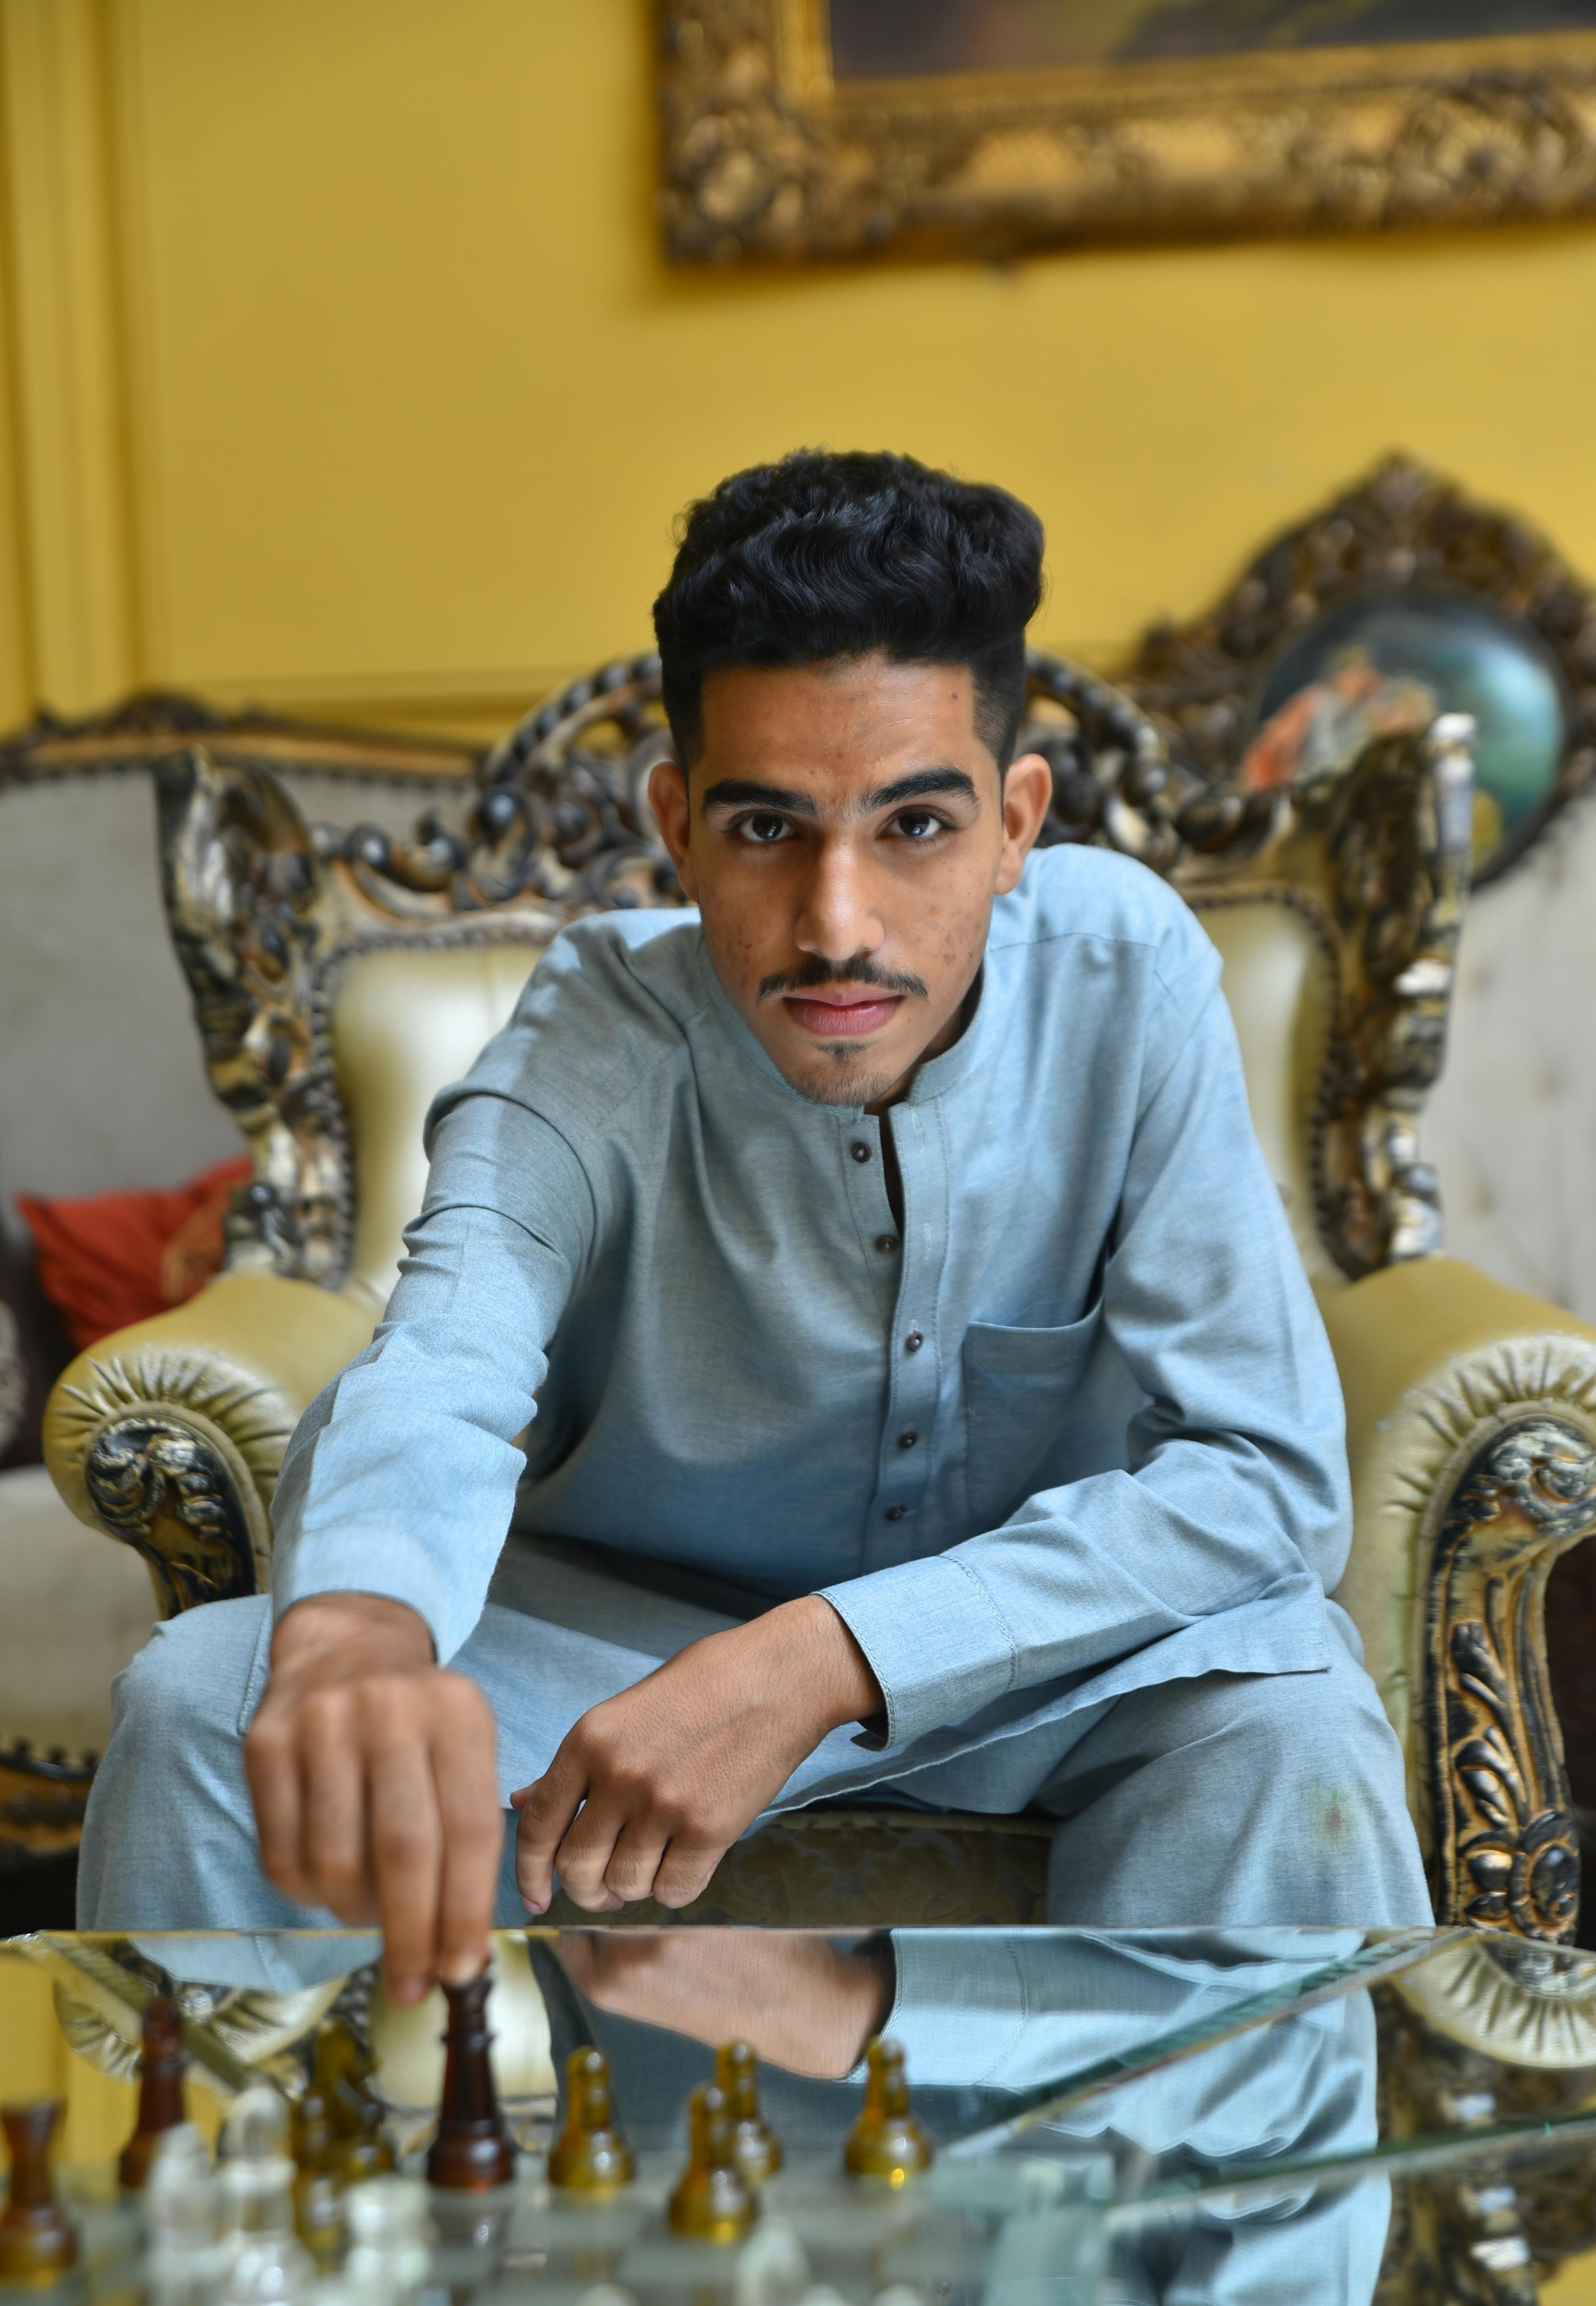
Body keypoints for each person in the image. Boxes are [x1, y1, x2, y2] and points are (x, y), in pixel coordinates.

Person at [79, 450, 1431, 1989]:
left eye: (916, 825)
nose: (838, 921)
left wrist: (830, 1655)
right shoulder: (594, 1028)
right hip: (602, 1665)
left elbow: (1259, 1475)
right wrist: (354, 1638)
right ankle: (228, 2206)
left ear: (1016, 820)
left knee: (1292, 1728)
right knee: (207, 1697)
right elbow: (440, 1361)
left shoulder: (1133, 977)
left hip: (1063, 1667)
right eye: (768, 829)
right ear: (677, 821)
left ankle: (1213, 2212)